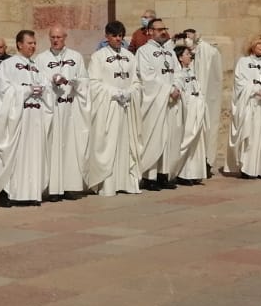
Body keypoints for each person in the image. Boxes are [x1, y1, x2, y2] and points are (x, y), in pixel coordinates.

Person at [0, 29, 53, 206]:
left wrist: (43, 89)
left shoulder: (36, 66)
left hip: (34, 118)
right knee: (14, 154)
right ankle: (8, 193)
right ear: (19, 44)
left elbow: (46, 87)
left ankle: (29, 193)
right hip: (17, 118)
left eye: (34, 43)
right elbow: (3, 91)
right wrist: (26, 90)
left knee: (32, 155)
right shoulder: (9, 65)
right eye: (29, 43)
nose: (33, 46)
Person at [86, 21, 141, 196]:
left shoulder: (130, 56)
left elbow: (137, 82)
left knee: (125, 144)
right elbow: (93, 83)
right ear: (107, 36)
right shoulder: (98, 57)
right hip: (108, 107)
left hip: (125, 107)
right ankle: (107, 184)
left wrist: (130, 93)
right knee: (108, 144)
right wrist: (114, 92)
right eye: (115, 36)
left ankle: (125, 182)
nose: (118, 39)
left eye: (120, 36)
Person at [36, 25, 89, 200]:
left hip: (70, 108)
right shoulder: (41, 59)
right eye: (52, 37)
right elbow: (37, 81)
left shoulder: (76, 57)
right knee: (53, 147)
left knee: (70, 147)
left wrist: (73, 82)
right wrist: (51, 81)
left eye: (59, 37)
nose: (56, 40)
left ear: (65, 37)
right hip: (52, 109)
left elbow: (84, 80)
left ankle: (68, 186)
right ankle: (53, 189)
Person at [135, 18, 183, 190]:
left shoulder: (170, 52)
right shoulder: (144, 52)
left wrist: (177, 86)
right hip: (155, 102)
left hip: (170, 102)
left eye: (165, 29)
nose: (163, 32)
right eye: (159, 29)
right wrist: (168, 89)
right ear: (150, 32)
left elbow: (178, 72)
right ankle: (150, 176)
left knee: (169, 137)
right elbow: (147, 77)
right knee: (154, 137)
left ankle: (164, 174)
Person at [232, 34, 261, 178]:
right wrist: (256, 91)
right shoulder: (243, 62)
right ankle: (247, 169)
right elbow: (240, 82)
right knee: (251, 136)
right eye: (259, 43)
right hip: (251, 103)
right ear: (252, 45)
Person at [181, 28, 223, 178]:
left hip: (201, 102)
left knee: (204, 135)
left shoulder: (203, 52)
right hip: (187, 104)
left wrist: (199, 42)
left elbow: (211, 55)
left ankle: (203, 165)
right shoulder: (180, 56)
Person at [174, 45, 208, 185]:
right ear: (180, 57)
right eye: (187, 54)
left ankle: (194, 173)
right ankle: (182, 173)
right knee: (186, 139)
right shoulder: (178, 74)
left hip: (197, 110)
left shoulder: (192, 72)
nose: (190, 56)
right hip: (188, 111)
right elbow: (180, 91)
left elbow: (197, 87)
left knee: (196, 144)